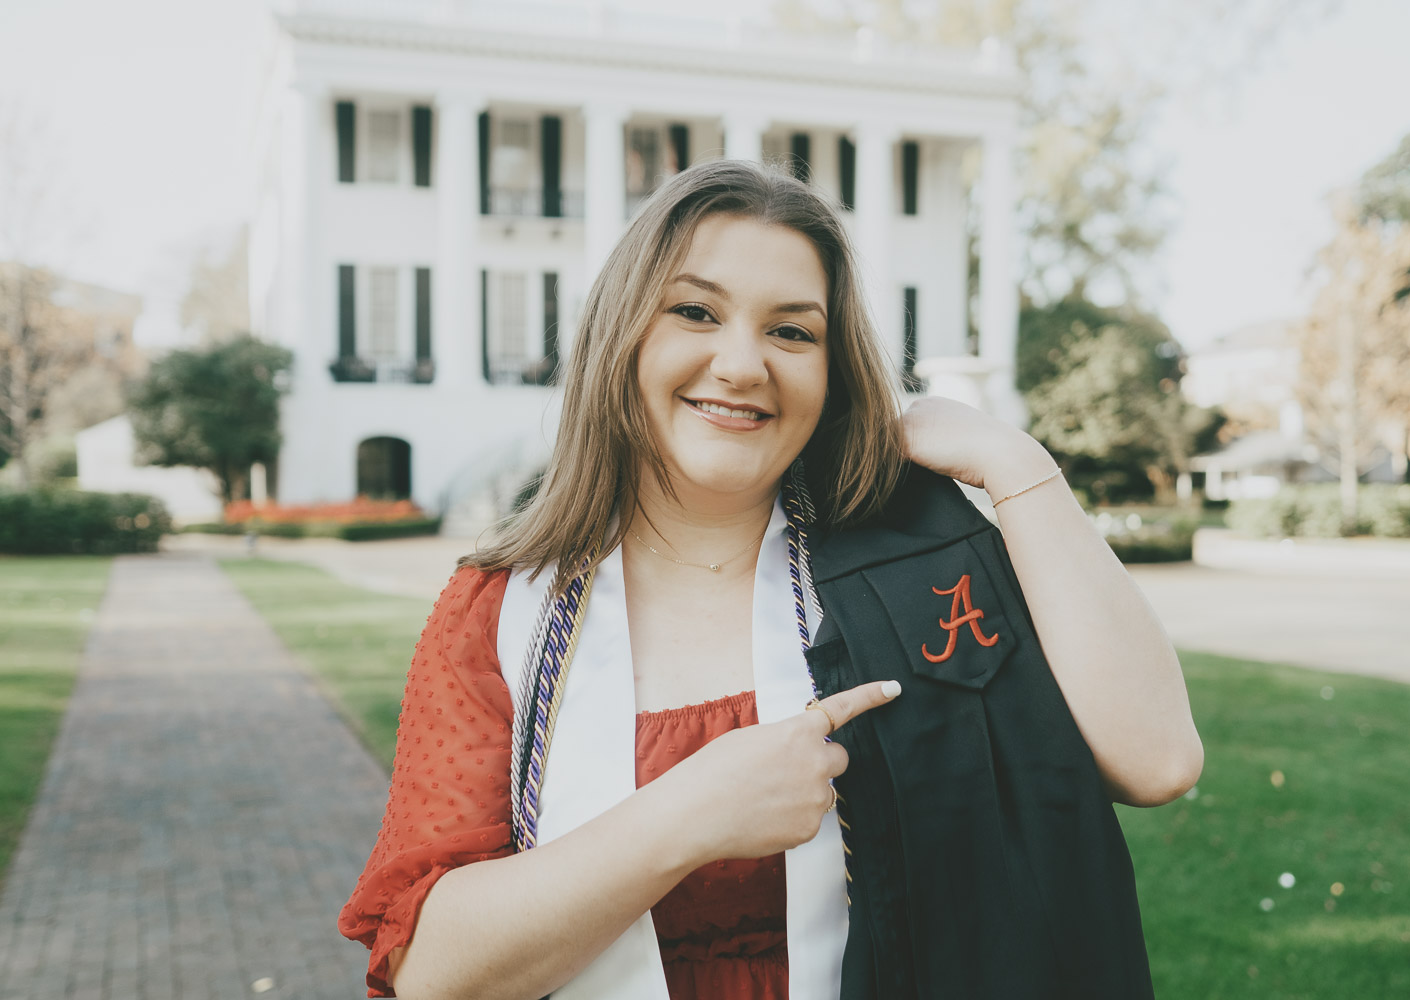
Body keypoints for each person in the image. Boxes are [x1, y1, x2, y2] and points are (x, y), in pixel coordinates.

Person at [339, 159, 1202, 1000]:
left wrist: (1016, 467)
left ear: (831, 371)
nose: (744, 365)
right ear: (622, 333)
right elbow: (428, 973)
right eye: (695, 312)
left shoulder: (911, 574)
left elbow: (1157, 760)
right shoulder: (500, 615)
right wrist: (690, 816)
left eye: (792, 330)